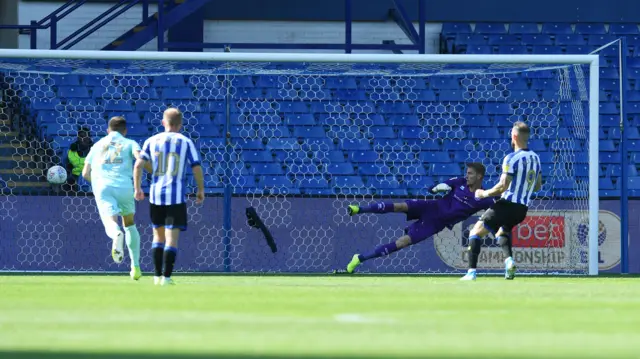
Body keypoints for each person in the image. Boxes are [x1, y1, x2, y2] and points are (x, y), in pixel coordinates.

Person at [342, 162, 495, 273]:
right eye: (466, 172)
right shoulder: (459, 182)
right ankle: (359, 209)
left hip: (435, 223)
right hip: (432, 207)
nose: (466, 176)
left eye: (470, 173)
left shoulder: (484, 197)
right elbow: (436, 187)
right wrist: (437, 188)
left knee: (402, 242)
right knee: (400, 206)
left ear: (479, 176)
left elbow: (497, 208)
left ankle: (360, 258)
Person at [461, 121, 542, 281]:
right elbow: (538, 186)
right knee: (502, 231)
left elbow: (502, 187)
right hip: (522, 209)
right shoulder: (536, 158)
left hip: (507, 205)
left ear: (514, 136)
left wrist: (483, 193)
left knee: (475, 232)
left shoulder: (511, 158)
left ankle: (471, 273)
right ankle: (509, 262)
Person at [133, 108, 205, 286]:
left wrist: (137, 188)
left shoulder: (152, 140)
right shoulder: (185, 141)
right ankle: (166, 277)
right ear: (180, 125)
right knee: (171, 239)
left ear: (163, 122)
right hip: (176, 197)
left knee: (157, 237)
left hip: (156, 196)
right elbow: (196, 166)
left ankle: (156, 276)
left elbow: (138, 165)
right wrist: (200, 189)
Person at [82, 117, 147, 280]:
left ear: (108, 130)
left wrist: (97, 183)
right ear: (125, 131)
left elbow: (85, 173)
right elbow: (139, 159)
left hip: (104, 186)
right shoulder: (130, 143)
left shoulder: (97, 145)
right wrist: (138, 186)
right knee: (130, 223)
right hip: (125, 186)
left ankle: (116, 234)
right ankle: (135, 267)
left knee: (110, 222)